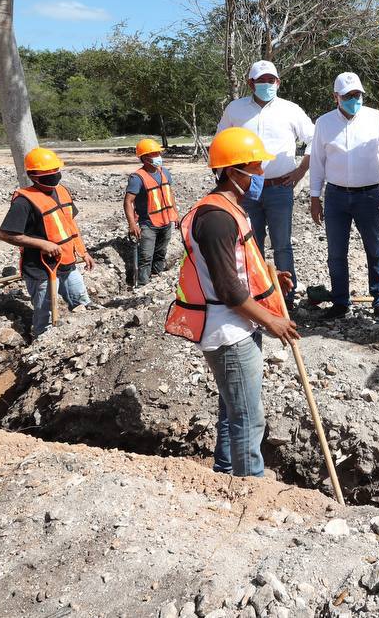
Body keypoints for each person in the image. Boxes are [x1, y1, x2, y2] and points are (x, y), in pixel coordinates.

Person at [165, 128, 298, 476]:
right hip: (228, 331)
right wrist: (273, 322)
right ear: (233, 171)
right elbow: (228, 289)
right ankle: (249, 485)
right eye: (254, 168)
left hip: (239, 324)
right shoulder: (216, 219)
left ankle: (226, 471)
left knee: (232, 410)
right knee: (248, 419)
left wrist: (270, 282)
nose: (259, 175)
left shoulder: (229, 209)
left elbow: (239, 269)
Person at [219, 60, 316, 303]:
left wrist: (300, 171)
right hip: (246, 189)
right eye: (261, 80)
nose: (266, 84)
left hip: (280, 188)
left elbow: (315, 140)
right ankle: (260, 295)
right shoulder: (235, 109)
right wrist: (226, 183)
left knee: (282, 245)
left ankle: (287, 297)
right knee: (251, 243)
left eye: (271, 80)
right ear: (250, 83)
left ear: (278, 82)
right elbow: (221, 142)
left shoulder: (291, 110)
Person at [309, 72, 379, 321]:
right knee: (336, 252)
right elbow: (317, 162)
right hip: (336, 196)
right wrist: (315, 197)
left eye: (357, 95)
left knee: (374, 248)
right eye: (348, 96)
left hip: (369, 195)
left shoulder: (377, 119)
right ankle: (340, 301)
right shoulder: (324, 123)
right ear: (336, 97)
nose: (354, 99)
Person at [0, 147, 96, 336]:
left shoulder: (62, 191)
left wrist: (83, 252)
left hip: (67, 262)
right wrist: (43, 244)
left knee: (84, 304)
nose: (53, 176)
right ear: (33, 175)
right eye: (47, 174)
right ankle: (42, 341)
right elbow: (5, 234)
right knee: (45, 315)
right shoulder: (24, 201)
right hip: (41, 268)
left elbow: (70, 225)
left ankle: (86, 337)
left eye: (55, 172)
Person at [125, 138, 180, 287]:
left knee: (161, 252)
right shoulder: (137, 178)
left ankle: (157, 277)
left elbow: (169, 194)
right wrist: (132, 224)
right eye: (154, 154)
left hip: (166, 221)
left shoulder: (165, 172)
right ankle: (143, 283)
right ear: (144, 157)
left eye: (158, 153)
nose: (158, 156)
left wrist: (175, 214)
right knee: (145, 256)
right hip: (148, 223)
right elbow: (128, 201)